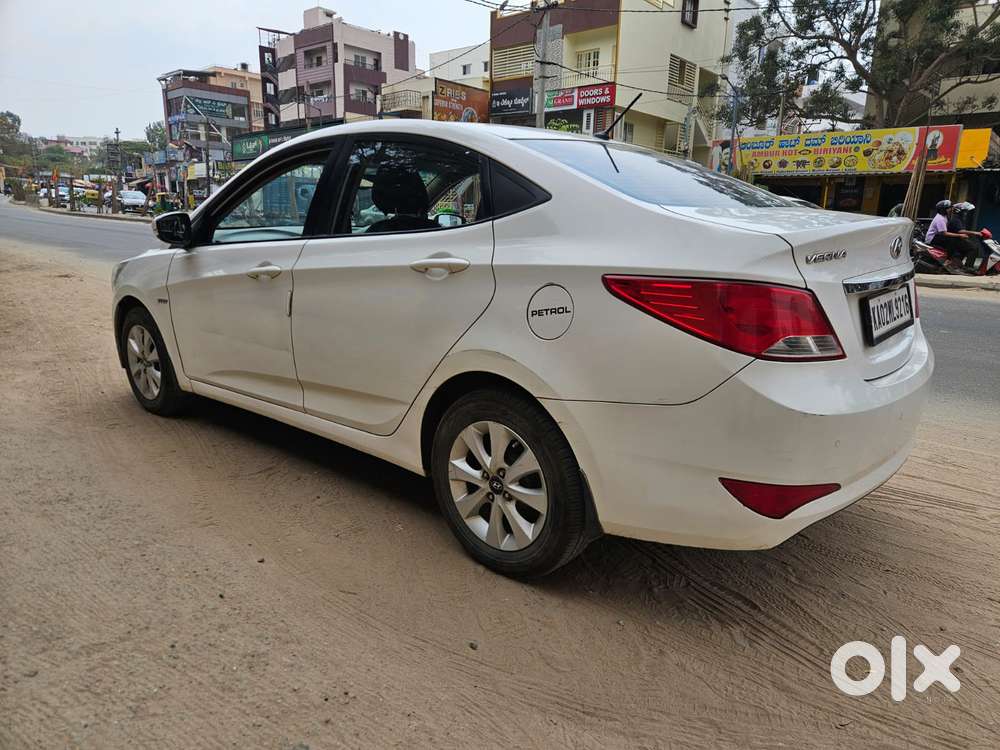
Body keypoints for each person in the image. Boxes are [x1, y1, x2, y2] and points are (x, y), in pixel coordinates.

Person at [925, 200, 974, 269]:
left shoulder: (943, 216)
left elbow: (954, 206)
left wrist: (962, 205)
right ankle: (948, 260)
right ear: (944, 210)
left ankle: (955, 261)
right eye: (948, 208)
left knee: (955, 240)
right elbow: (944, 233)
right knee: (953, 241)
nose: (950, 209)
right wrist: (960, 235)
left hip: (938, 236)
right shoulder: (940, 219)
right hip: (933, 238)